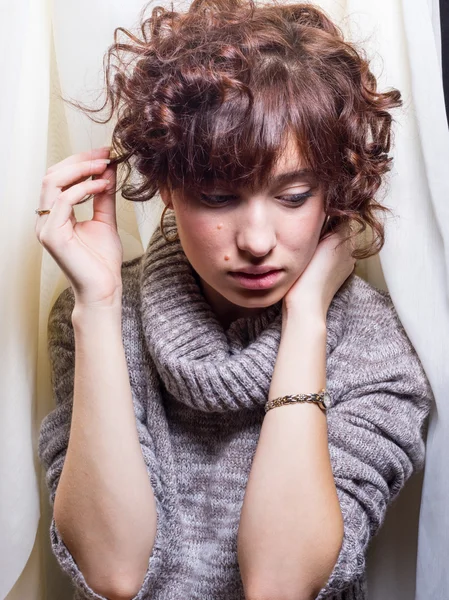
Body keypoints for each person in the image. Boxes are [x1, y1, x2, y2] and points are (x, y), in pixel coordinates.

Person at [35, 1, 434, 599]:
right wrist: (98, 305)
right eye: (218, 197)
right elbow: (113, 573)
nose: (256, 241)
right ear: (167, 189)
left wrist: (305, 322)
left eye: (294, 196)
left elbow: (280, 585)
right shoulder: (99, 316)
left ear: (334, 192)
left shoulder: (376, 349)